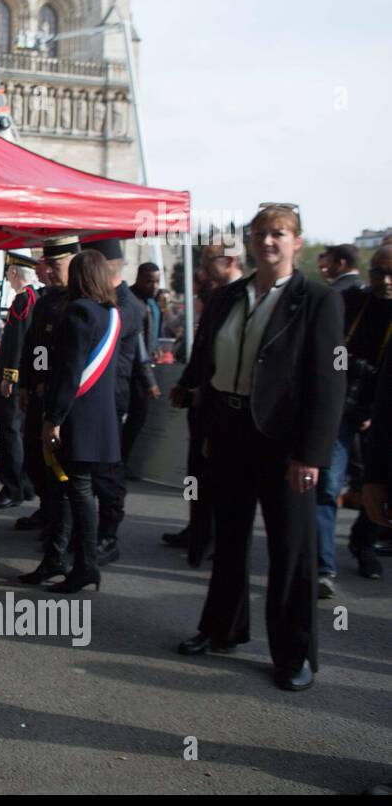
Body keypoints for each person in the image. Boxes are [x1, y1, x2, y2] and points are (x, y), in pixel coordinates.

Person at [173, 204, 343, 692]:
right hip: (228, 429)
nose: (268, 241)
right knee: (228, 540)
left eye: (278, 234)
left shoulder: (317, 299)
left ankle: (294, 654)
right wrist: (198, 410)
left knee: (291, 551)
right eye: (260, 233)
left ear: (297, 242)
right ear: (248, 241)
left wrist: (311, 454)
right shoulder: (228, 296)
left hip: (284, 443)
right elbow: (206, 357)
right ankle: (221, 629)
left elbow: (328, 383)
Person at [22, 249, 122, 593]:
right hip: (100, 422)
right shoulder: (110, 313)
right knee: (75, 492)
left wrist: (53, 419)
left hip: (75, 419)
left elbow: (68, 373)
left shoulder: (77, 312)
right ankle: (68, 561)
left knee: (71, 493)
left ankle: (83, 565)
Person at [163, 233, 244, 561]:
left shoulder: (243, 297)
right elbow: (202, 349)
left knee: (220, 476)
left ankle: (214, 537)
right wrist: (185, 384)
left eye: (208, 260)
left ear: (230, 261)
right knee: (196, 472)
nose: (201, 269)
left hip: (224, 405)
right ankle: (197, 530)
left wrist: (205, 389)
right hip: (200, 402)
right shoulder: (218, 296)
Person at [316, 243, 392, 589]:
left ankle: (365, 545)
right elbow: (332, 352)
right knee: (329, 485)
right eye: (379, 272)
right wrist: (354, 371)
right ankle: (323, 566)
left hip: (383, 413)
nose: (386, 281)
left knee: (377, 488)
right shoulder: (353, 302)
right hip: (345, 407)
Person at [93, 239, 158, 566]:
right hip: (99, 397)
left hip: (112, 399)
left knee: (109, 471)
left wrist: (148, 383)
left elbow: (138, 356)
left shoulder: (126, 305)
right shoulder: (108, 300)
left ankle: (108, 536)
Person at [15, 238, 77, 533]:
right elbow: (35, 347)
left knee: (60, 471)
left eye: (56, 265)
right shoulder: (47, 301)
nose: (49, 272)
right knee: (35, 461)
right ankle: (48, 512)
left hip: (64, 402)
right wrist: (29, 382)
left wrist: (47, 383)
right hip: (40, 395)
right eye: (47, 265)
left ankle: (61, 530)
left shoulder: (79, 303)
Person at [0, 251, 39, 509]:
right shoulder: (31, 298)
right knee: (17, 433)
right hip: (20, 375)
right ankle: (25, 484)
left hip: (14, 377)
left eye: (9, 272)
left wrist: (8, 376)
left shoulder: (23, 300)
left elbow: (18, 342)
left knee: (9, 433)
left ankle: (13, 487)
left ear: (14, 273)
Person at [121, 261, 163, 464]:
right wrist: (150, 382)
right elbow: (137, 348)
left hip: (139, 371)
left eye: (157, 281)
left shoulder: (150, 302)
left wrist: (154, 348)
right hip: (131, 373)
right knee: (134, 418)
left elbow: (147, 340)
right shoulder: (133, 303)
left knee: (136, 419)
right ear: (138, 279)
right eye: (149, 282)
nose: (154, 286)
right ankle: (119, 461)